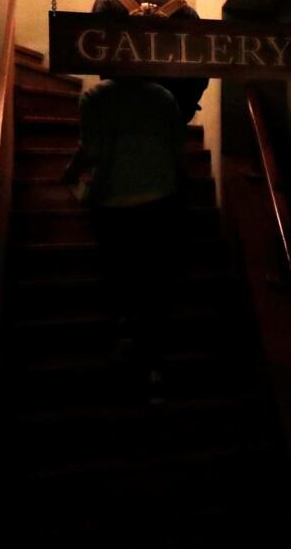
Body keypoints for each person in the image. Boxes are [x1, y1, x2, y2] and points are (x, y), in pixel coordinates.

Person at [60, 78, 187, 404]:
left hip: (114, 201)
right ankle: (154, 364)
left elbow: (93, 149)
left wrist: (72, 172)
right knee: (154, 280)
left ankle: (126, 340)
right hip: (161, 198)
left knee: (122, 277)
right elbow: (177, 147)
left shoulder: (94, 98)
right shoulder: (162, 95)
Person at [92, 0, 209, 122]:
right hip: (168, 113)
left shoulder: (107, 1)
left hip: (119, 109)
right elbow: (200, 70)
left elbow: (95, 60)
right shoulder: (186, 11)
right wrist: (184, 109)